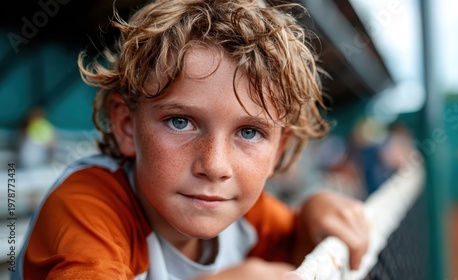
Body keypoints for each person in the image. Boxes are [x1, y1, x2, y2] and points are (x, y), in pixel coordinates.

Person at [14, 1, 369, 279]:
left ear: (278, 148)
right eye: (180, 122)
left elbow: (298, 253)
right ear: (126, 126)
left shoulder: (247, 213)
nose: (214, 166)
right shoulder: (87, 208)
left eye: (249, 132)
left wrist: (313, 213)